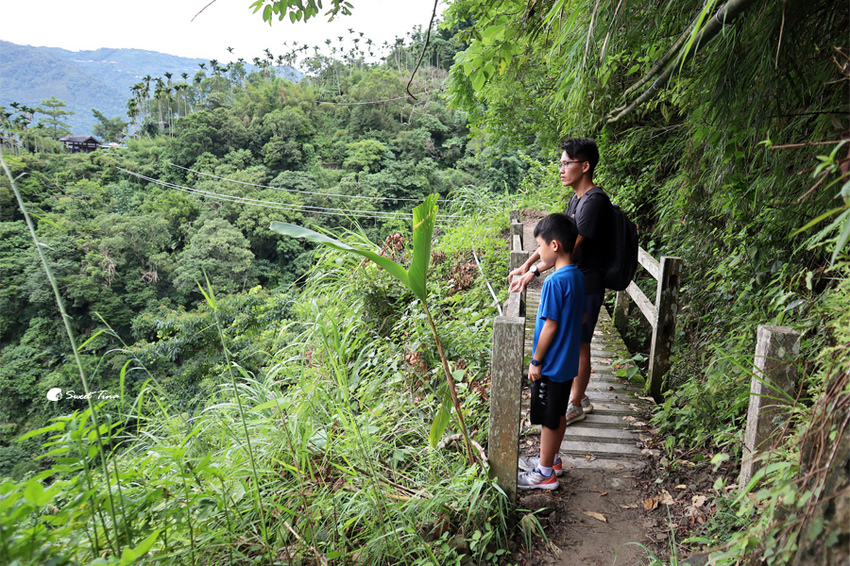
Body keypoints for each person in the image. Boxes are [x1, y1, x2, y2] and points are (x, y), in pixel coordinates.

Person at [509, 137, 613, 427]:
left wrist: (535, 272)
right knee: (575, 340)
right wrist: (528, 264)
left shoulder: (594, 202)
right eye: (561, 163)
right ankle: (577, 396)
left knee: (581, 343)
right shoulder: (577, 199)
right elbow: (555, 239)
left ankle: (576, 403)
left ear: (585, 166)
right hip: (573, 280)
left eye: (566, 163)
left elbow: (569, 247)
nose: (561, 169)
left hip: (586, 283)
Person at [516, 213, 585, 490]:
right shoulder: (577, 275)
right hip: (568, 362)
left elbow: (550, 327)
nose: (539, 252)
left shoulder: (554, 282)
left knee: (547, 419)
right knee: (558, 414)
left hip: (552, 364)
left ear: (554, 246)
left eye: (540, 246)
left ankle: (544, 473)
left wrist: (536, 360)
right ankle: (552, 460)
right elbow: (580, 318)